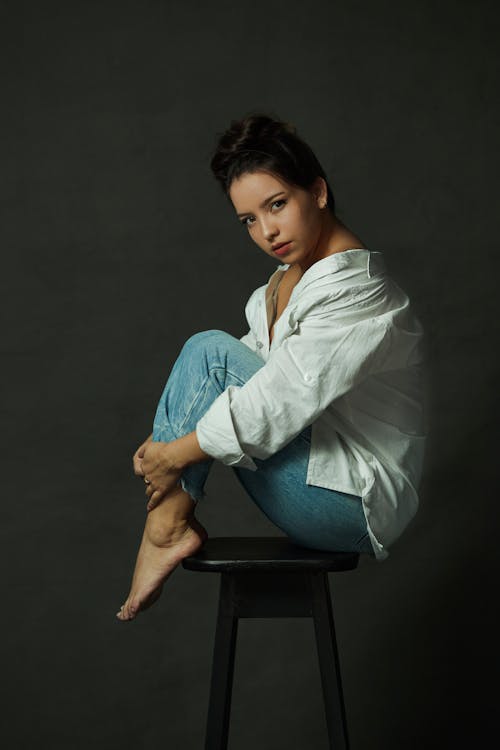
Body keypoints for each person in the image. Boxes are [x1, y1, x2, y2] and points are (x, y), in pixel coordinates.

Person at [116, 113, 426, 622]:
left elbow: (273, 406)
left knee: (210, 351)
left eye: (277, 205)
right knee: (210, 353)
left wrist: (173, 454)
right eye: (249, 220)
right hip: (319, 486)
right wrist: (168, 442)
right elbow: (247, 375)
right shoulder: (288, 279)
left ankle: (167, 530)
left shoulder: (359, 293)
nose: (267, 231)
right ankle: (168, 526)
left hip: (355, 507)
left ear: (318, 192)